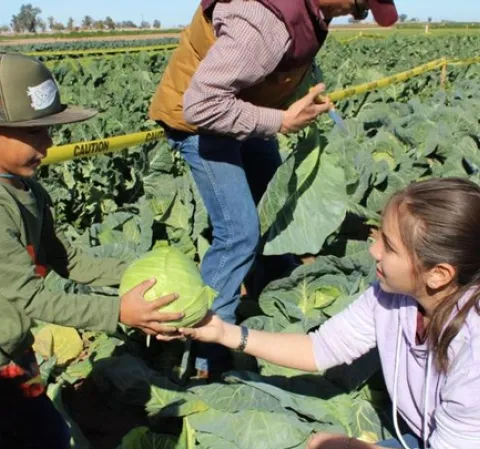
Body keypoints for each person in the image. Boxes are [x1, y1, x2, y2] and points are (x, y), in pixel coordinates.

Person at [161, 177, 480, 449]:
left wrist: (345, 448)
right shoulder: (392, 297)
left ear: (438, 274)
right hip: (426, 446)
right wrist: (223, 333)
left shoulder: (473, 352)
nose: (373, 250)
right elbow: (322, 348)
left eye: (390, 246)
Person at [148, 0, 399, 376]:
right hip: (202, 123)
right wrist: (280, 120)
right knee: (239, 234)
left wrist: (298, 94)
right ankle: (202, 355)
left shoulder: (311, 10)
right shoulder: (261, 20)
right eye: (359, 6)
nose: (354, 15)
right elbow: (199, 106)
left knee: (275, 211)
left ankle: (280, 307)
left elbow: (277, 62)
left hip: (239, 108)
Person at [0, 52, 183, 449]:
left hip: (14, 350)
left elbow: (67, 259)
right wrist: (117, 312)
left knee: (47, 441)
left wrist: (145, 270)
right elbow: (29, 294)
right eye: (36, 132)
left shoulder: (26, 189)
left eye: (48, 130)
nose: (47, 143)